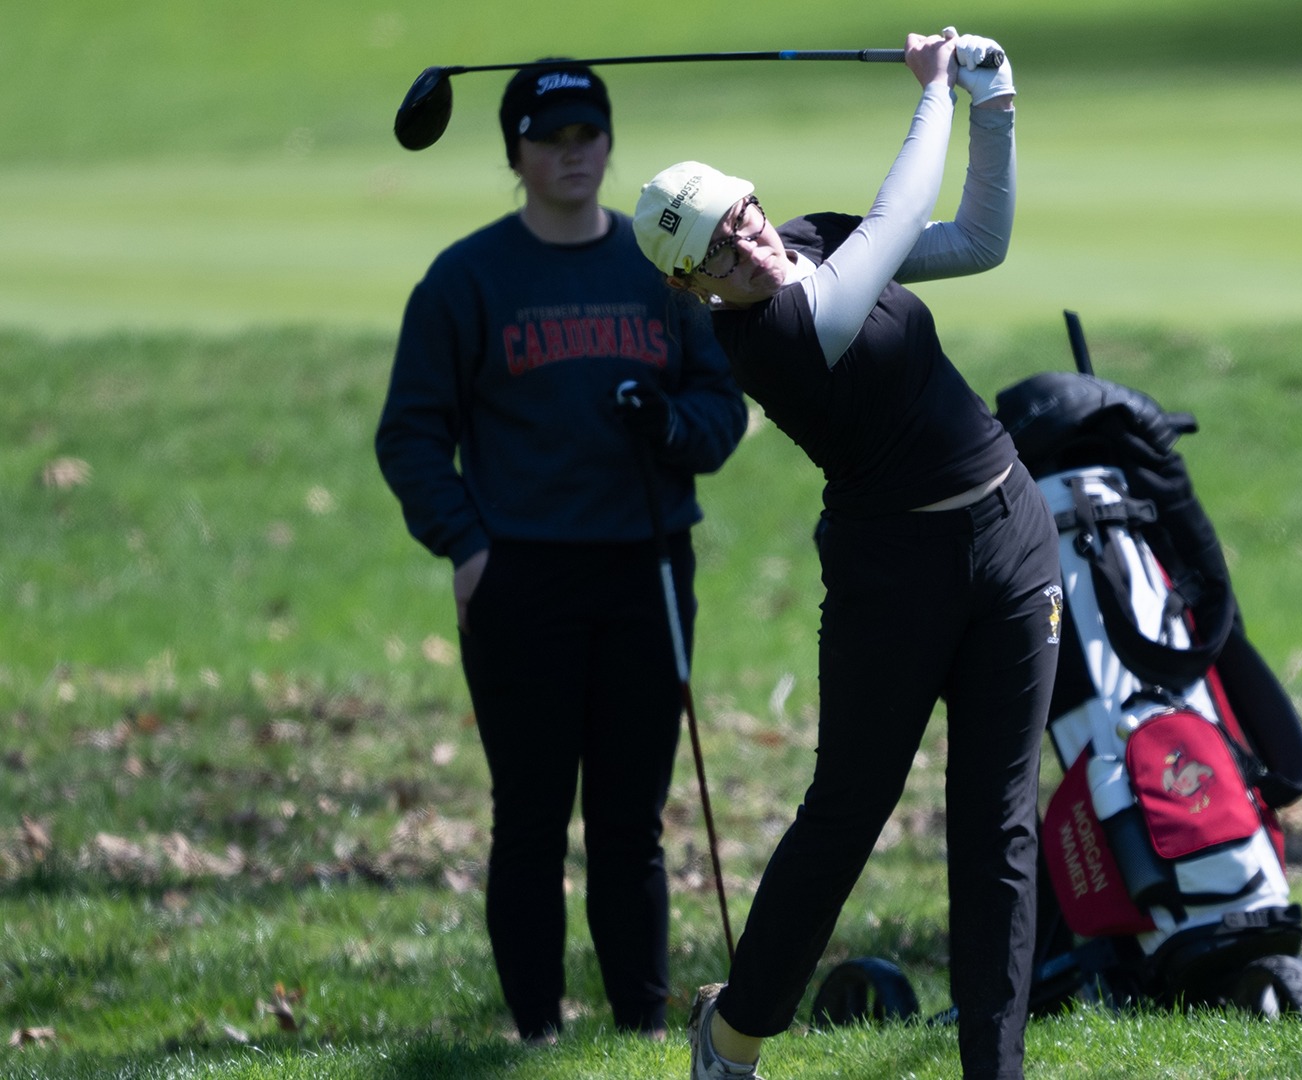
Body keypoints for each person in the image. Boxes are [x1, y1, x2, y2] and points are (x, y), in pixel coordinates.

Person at [631, 28, 1057, 1080]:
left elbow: (974, 239)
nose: (750, 244)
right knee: (848, 811)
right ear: (693, 288)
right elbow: (903, 209)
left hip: (1011, 538)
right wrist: (934, 96)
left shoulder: (805, 239)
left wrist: (994, 104)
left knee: (997, 827)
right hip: (892, 579)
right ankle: (732, 1038)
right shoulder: (771, 333)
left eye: (745, 215)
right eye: (720, 252)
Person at [374, 60, 748, 1042]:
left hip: (648, 567)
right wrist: (464, 544)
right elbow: (410, 433)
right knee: (532, 820)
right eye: (552, 137)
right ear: (517, 154)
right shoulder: (468, 279)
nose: (573, 152)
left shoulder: (658, 267)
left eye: (589, 133)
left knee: (631, 822)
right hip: (521, 578)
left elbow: (718, 412)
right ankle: (537, 1031)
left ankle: (639, 1029)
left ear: (610, 143)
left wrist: (668, 425)